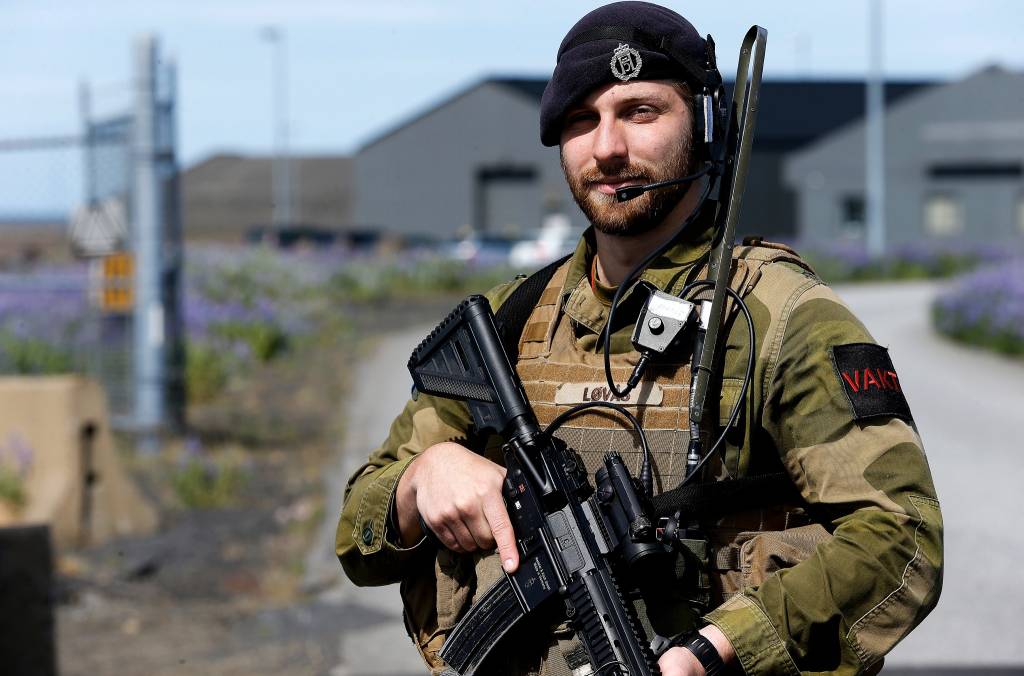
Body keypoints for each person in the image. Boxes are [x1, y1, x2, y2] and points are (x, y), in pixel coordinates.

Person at [336, 3, 943, 674]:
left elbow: (901, 538)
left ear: (706, 128)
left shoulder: (780, 317)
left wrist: (720, 649)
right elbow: (357, 535)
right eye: (581, 121)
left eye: (641, 112)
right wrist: (420, 484)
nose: (607, 148)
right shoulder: (511, 321)